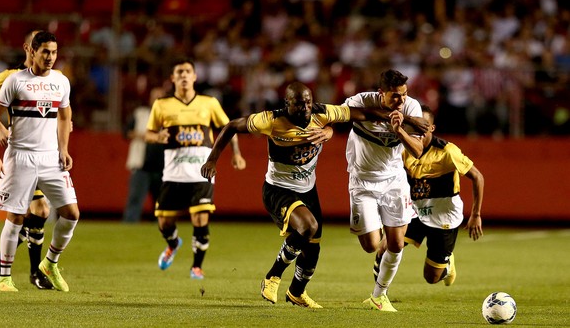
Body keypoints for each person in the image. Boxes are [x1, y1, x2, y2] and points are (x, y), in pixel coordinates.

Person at [201, 82, 428, 308]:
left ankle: (296, 293)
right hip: (279, 188)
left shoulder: (322, 113)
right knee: (307, 227)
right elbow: (232, 125)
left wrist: (406, 120)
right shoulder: (271, 120)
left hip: (308, 190)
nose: (305, 108)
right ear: (287, 104)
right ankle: (272, 276)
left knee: (313, 249)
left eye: (308, 102)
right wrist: (212, 158)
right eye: (299, 104)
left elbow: (363, 113)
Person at [0, 31, 79, 292]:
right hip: (20, 157)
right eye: (45, 52)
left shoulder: (61, 82)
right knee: (15, 216)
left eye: (54, 52)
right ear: (33, 52)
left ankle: (50, 264)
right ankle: (5, 278)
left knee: (71, 214)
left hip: (51, 158)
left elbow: (64, 116)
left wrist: (64, 149)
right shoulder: (15, 80)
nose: (50, 57)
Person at [145, 57, 246, 280]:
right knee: (164, 222)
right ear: (173, 78)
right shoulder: (162, 104)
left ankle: (196, 267)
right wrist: (157, 136)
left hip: (201, 171)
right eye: (179, 72)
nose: (183, 75)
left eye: (187, 71)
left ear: (194, 76)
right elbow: (148, 133)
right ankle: (173, 244)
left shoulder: (208, 103)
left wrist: (236, 154)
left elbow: (229, 127)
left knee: (200, 219)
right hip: (173, 172)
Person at [373, 105, 484, 286]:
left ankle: (447, 266)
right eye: (415, 126)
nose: (418, 131)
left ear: (432, 128)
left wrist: (476, 214)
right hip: (415, 212)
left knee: (431, 278)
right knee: (385, 247)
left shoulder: (447, 152)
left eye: (424, 127)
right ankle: (378, 295)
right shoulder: (402, 150)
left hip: (444, 216)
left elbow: (478, 177)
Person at [0, 29, 53, 290]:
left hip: (43, 154)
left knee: (40, 211)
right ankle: (31, 271)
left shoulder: (51, 79)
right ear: (28, 48)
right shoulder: (10, 77)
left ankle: (7, 263)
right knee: (32, 212)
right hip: (21, 153)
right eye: (38, 46)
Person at [344, 69, 425, 312]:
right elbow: (337, 116)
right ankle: (378, 228)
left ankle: (379, 295)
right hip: (363, 181)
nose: (401, 101)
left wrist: (399, 130)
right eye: (395, 96)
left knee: (397, 244)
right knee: (371, 245)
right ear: (381, 94)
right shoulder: (360, 101)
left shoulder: (411, 107)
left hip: (394, 180)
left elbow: (418, 151)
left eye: (404, 95)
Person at [123, 86, 165, 222]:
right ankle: (129, 229)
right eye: (155, 97)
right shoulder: (140, 114)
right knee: (135, 199)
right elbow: (126, 132)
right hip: (141, 165)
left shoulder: (171, 117)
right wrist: (145, 135)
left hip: (163, 167)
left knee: (162, 204)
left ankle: (162, 231)